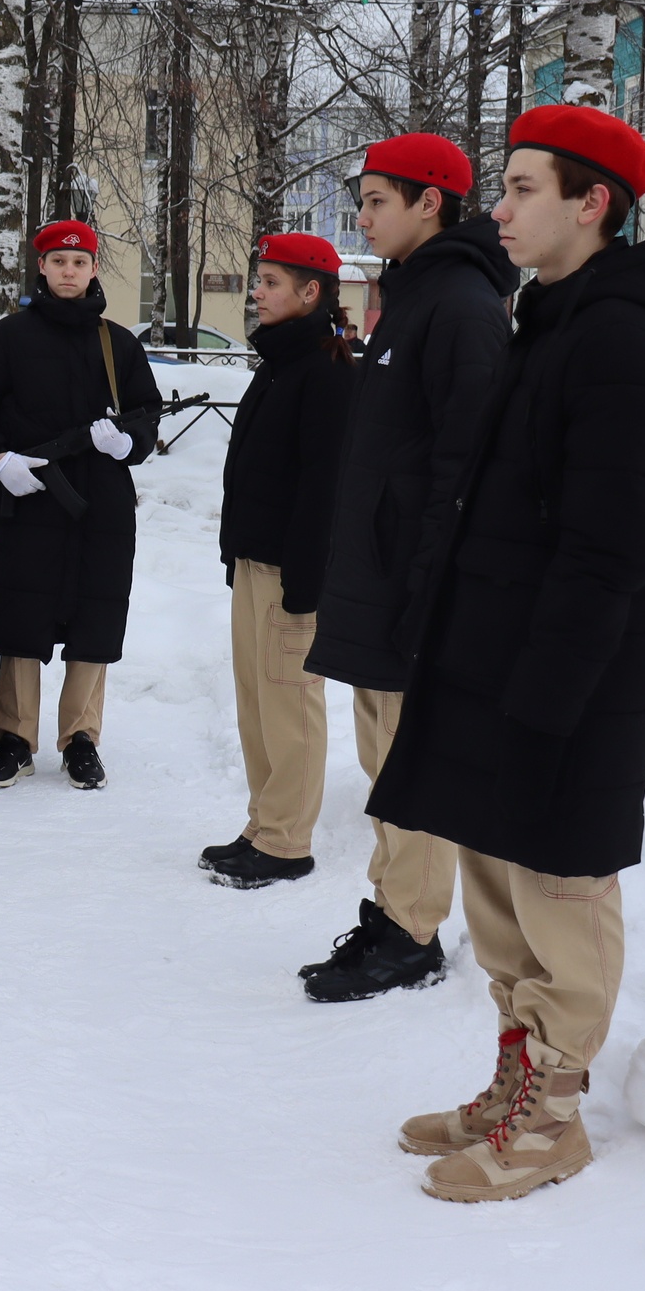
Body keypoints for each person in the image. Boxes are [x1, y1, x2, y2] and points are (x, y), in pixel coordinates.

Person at [371, 105, 645, 1202]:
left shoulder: (622, 339)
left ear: (592, 203)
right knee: (498, 882)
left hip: (566, 679)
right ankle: (510, 1080)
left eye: (523, 188)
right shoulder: (553, 318)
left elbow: (609, 547)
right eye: (502, 185)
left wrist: (547, 697)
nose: (500, 207)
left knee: (560, 886)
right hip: (494, 660)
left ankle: (553, 1116)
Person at [298, 134, 514, 999]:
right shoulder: (415, 297)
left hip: (408, 583)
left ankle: (412, 931)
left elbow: (463, 464)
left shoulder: (460, 305)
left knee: (407, 759)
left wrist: (427, 586)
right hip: (378, 572)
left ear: (432, 201)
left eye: (378, 199)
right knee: (383, 753)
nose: (363, 215)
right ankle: (391, 913)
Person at [0, 219, 161, 790]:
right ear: (41, 268)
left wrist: (127, 442)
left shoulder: (118, 343)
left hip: (102, 503)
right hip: (32, 495)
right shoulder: (10, 337)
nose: (69, 272)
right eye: (58, 262)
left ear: (94, 269)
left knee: (94, 619)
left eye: (80, 262)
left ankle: (82, 739)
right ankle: (15, 740)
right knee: (23, 616)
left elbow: (146, 413)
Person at [200, 233, 356, 886]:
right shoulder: (281, 361)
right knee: (256, 702)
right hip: (256, 561)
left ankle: (288, 840)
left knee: (290, 704)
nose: (256, 292)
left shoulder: (325, 370)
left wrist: (304, 583)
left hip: (293, 572)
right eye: (258, 280)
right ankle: (263, 823)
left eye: (269, 282)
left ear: (310, 291)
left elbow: (323, 488)